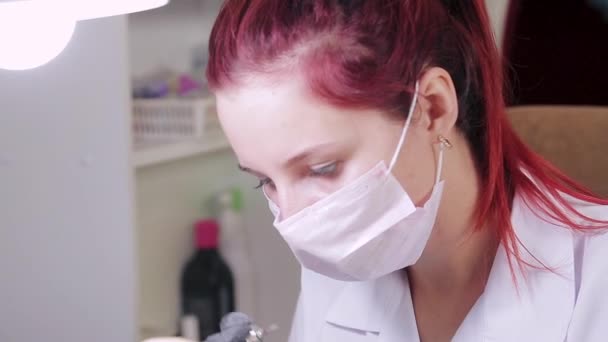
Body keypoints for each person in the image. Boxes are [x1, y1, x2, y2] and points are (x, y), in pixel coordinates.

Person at [205, 1, 608, 341]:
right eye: (266, 181)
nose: (295, 221)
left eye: (322, 169)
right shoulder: (340, 264)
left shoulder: (596, 282)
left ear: (433, 107)